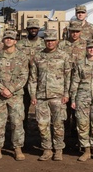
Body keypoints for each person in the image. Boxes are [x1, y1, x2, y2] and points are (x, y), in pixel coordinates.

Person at [0, 30, 30, 162]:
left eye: (11, 38)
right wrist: (1, 89)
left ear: (15, 41)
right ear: (3, 40)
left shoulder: (22, 57)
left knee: (17, 123)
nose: (9, 40)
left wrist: (10, 89)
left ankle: (17, 148)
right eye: (6, 38)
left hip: (15, 96)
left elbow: (24, 76)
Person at [30, 31, 71, 161]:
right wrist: (33, 95)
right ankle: (47, 149)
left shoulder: (63, 56)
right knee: (42, 125)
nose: (50, 42)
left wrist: (66, 93)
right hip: (41, 96)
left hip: (58, 96)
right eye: (48, 40)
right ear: (44, 41)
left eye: (53, 40)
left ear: (57, 41)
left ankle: (58, 149)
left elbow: (68, 77)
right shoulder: (38, 56)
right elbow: (33, 78)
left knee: (58, 124)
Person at [70, 39, 93, 162]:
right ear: (86, 49)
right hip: (82, 98)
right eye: (89, 48)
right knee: (82, 124)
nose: (91, 50)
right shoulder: (80, 64)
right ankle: (86, 150)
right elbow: (75, 82)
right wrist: (73, 99)